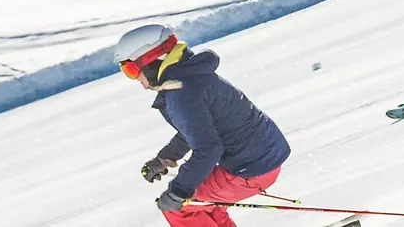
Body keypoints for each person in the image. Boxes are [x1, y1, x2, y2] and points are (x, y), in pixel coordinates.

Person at [114, 24, 291, 227]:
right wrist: (165, 158)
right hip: (262, 157)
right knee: (204, 205)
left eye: (131, 70)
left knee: (180, 208)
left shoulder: (182, 93)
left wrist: (179, 190)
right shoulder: (190, 77)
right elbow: (196, 130)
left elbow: (208, 149)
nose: (135, 79)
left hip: (250, 168)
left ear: (152, 62)